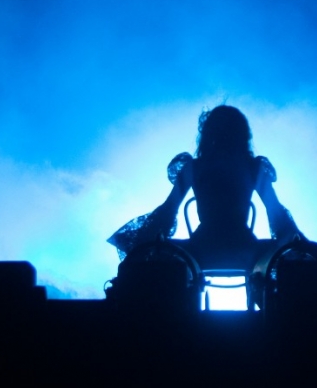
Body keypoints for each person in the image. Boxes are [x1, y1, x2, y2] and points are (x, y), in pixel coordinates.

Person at [109, 105, 302, 271]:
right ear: (242, 134)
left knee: (154, 259)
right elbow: (276, 212)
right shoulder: (254, 167)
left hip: (201, 247)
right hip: (245, 247)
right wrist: (298, 244)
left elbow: (168, 209)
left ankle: (176, 308)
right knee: (289, 261)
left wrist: (145, 240)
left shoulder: (194, 166)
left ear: (208, 133)